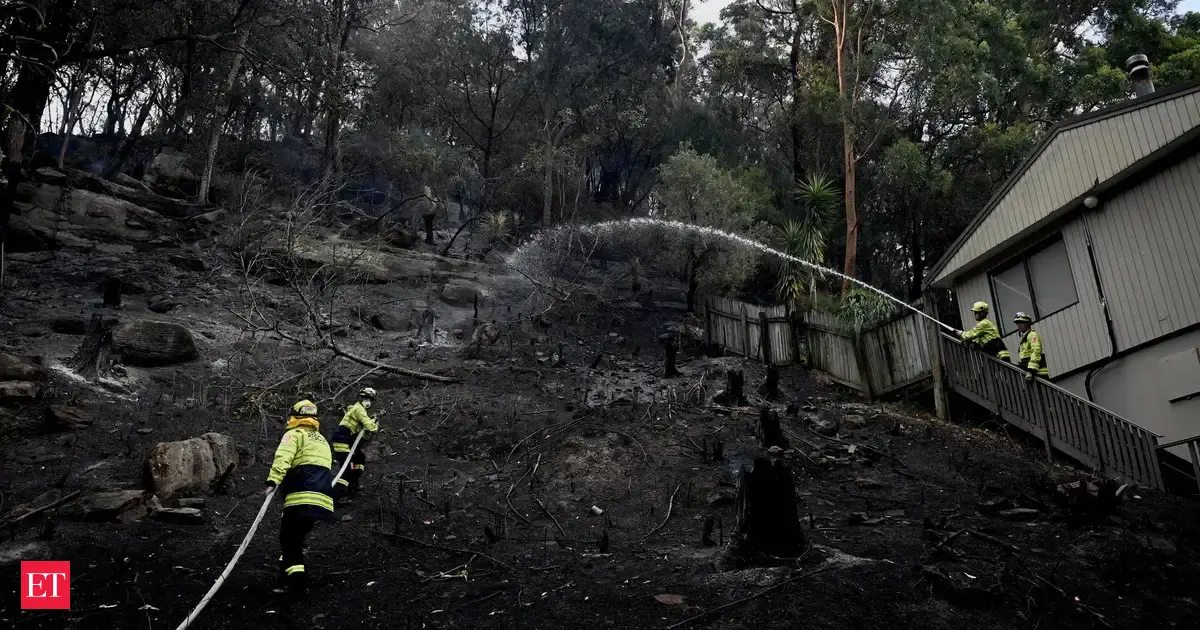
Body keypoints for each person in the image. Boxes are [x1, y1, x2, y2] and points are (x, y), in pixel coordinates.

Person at [264, 399, 335, 595]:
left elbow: (283, 458)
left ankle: (297, 585)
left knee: (289, 539)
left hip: (300, 497)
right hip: (322, 502)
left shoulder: (294, 434)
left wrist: (273, 481)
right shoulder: (322, 441)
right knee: (293, 539)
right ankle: (283, 578)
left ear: (294, 416)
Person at [331, 387, 380, 503]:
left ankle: (353, 484)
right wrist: (375, 423)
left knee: (359, 457)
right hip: (341, 439)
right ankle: (337, 497)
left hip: (348, 440)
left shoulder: (361, 411)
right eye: (366, 398)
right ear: (360, 398)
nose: (368, 401)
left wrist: (372, 422)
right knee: (347, 467)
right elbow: (370, 427)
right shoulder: (359, 409)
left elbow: (363, 435)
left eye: (370, 399)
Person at [1014, 312, 1048, 381]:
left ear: (1027, 324)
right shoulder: (1023, 338)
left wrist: (1031, 370)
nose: (1019, 325)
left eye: (1021, 323)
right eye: (1017, 323)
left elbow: (1036, 351)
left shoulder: (1032, 335)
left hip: (1039, 374)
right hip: (1032, 374)